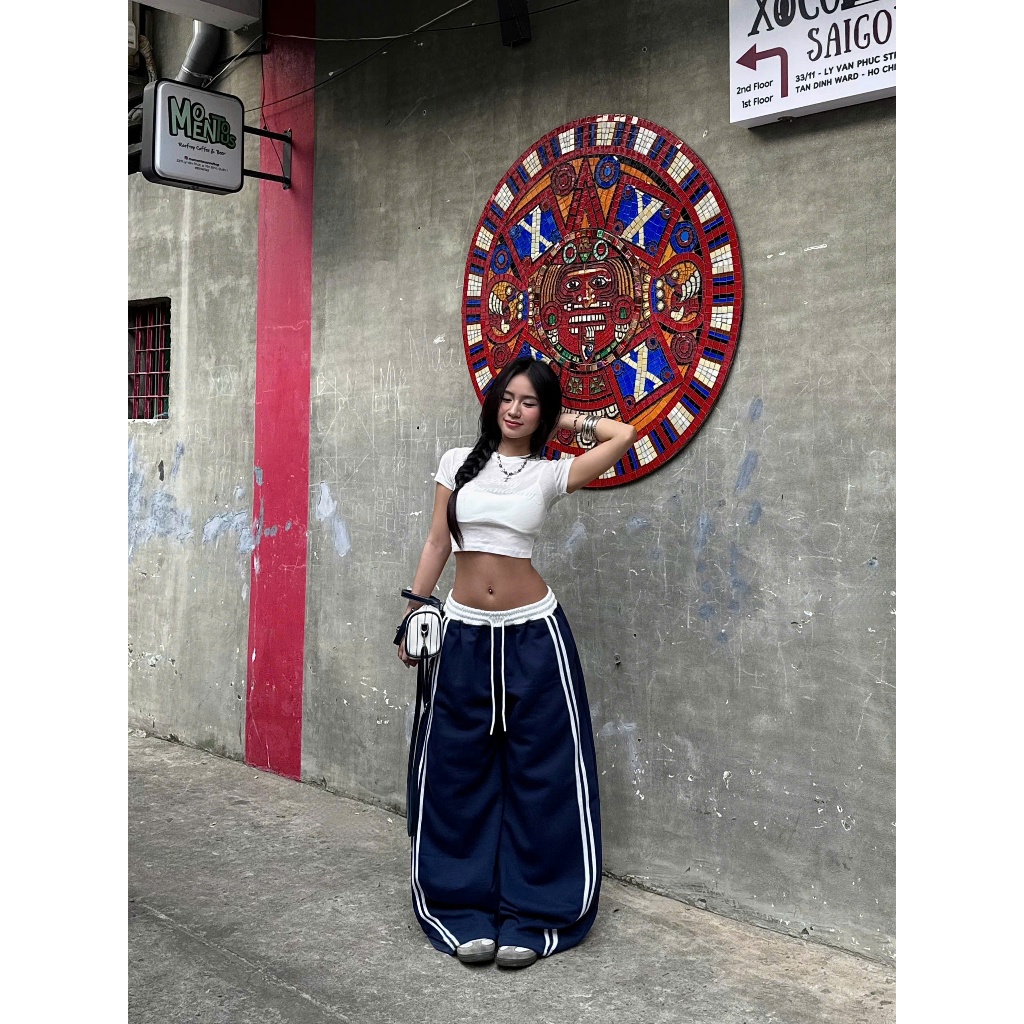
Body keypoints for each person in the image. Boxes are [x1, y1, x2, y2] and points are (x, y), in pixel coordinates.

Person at [397, 356, 637, 969]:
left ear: (543, 413)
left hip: (535, 635)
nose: (514, 409)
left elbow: (624, 435)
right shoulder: (457, 462)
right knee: (455, 771)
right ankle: (461, 908)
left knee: (544, 774)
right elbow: (437, 541)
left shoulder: (550, 473)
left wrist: (565, 421)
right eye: (507, 397)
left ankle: (536, 912)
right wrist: (416, 608)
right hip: (462, 632)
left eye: (529, 402)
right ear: (492, 402)